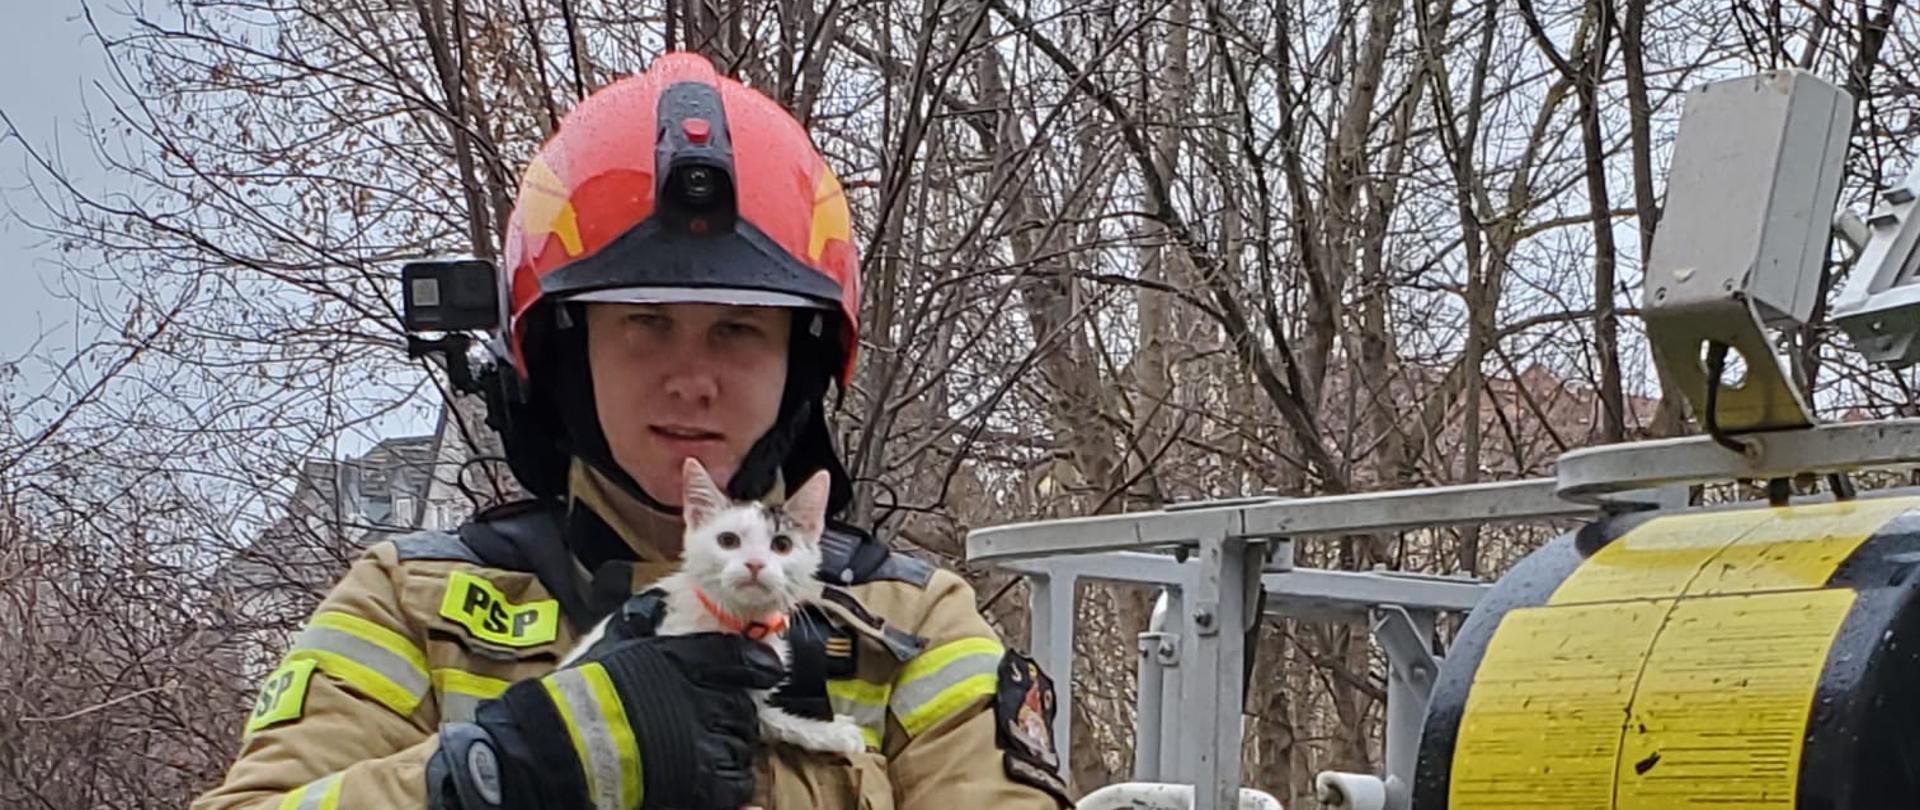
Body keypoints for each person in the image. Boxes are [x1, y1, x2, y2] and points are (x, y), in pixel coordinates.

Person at [192, 52, 1075, 810]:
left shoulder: (912, 627)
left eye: (737, 330)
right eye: (646, 322)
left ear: (800, 366)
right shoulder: (410, 609)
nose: (692, 379)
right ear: (567, 356)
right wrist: (500, 772)